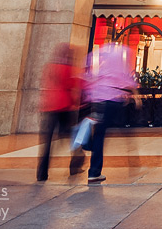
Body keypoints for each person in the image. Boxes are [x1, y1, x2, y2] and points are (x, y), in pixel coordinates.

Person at [84, 42, 136, 185]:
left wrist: (89, 95)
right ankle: (132, 160)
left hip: (97, 98)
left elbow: (88, 75)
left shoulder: (96, 55)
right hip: (112, 99)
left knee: (99, 133)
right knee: (118, 129)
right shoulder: (120, 55)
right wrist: (133, 91)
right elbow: (124, 78)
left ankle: (93, 169)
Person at [36, 43, 83, 181]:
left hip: (48, 108)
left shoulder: (49, 67)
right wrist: (76, 104)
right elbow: (73, 87)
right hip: (64, 108)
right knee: (73, 137)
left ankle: (42, 173)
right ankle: (76, 164)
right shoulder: (68, 68)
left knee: (47, 143)